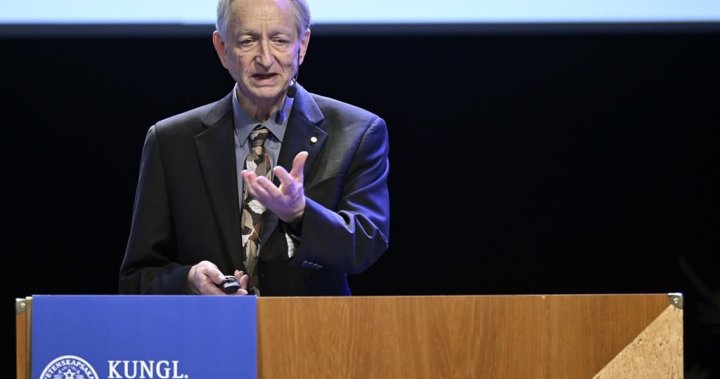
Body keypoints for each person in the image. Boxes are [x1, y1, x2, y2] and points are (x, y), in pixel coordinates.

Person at [118, 0, 390, 296]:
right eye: (247, 41)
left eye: (280, 40)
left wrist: (300, 213)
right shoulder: (171, 142)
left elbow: (365, 245)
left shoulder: (356, 132)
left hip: (315, 335)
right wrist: (190, 280)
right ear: (222, 48)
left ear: (303, 45)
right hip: (211, 336)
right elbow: (137, 278)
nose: (264, 58)